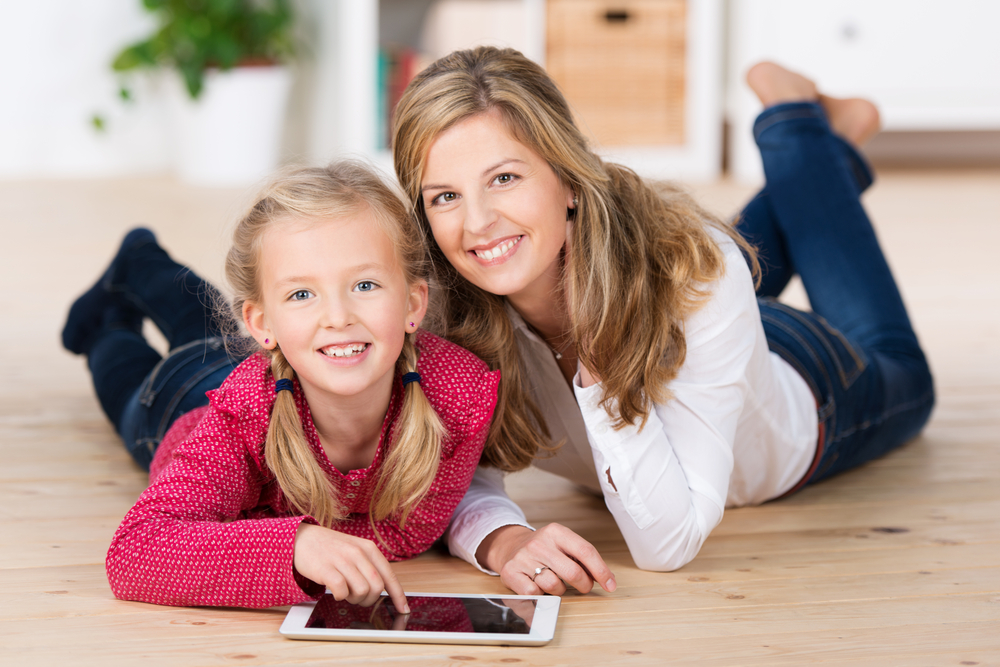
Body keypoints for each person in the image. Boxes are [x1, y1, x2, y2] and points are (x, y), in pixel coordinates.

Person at [390, 48, 935, 596]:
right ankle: (826, 146)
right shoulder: (434, 305)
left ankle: (795, 123)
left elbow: (668, 543)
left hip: (805, 391)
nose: (478, 222)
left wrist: (596, 353)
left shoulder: (700, 275)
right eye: (446, 197)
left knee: (901, 367)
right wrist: (501, 537)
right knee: (700, 262)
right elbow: (445, 472)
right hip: (695, 315)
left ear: (570, 178)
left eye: (504, 177)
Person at [61, 162, 500, 610]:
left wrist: (271, 534)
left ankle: (138, 272)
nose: (338, 317)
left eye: (365, 284)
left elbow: (410, 531)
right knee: (130, 361)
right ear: (261, 323)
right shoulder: (243, 417)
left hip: (285, 362)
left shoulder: (458, 395)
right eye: (302, 294)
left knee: (204, 331)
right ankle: (127, 286)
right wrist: (296, 545)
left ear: (412, 303)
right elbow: (135, 552)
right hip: (182, 402)